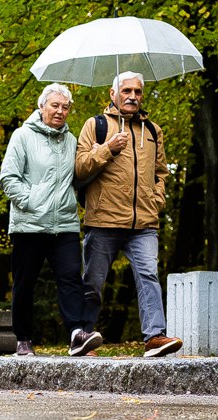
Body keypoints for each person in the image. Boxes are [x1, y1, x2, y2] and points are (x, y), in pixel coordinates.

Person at [75, 71, 183, 358]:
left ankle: (154, 337)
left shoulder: (152, 130)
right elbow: (79, 168)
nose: (132, 96)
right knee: (93, 282)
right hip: (103, 219)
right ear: (113, 94)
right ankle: (84, 337)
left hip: (144, 221)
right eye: (126, 91)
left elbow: (161, 172)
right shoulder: (95, 125)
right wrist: (108, 148)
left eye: (137, 91)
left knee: (148, 275)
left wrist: (156, 199)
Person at [0, 83, 104, 357]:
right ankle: (23, 338)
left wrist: (95, 156)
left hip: (65, 224)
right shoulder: (22, 136)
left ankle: (76, 334)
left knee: (70, 279)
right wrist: (33, 202)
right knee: (25, 282)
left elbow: (80, 179)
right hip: (29, 224)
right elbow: (8, 179)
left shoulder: (73, 142)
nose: (60, 111)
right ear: (42, 107)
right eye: (54, 105)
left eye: (65, 107)